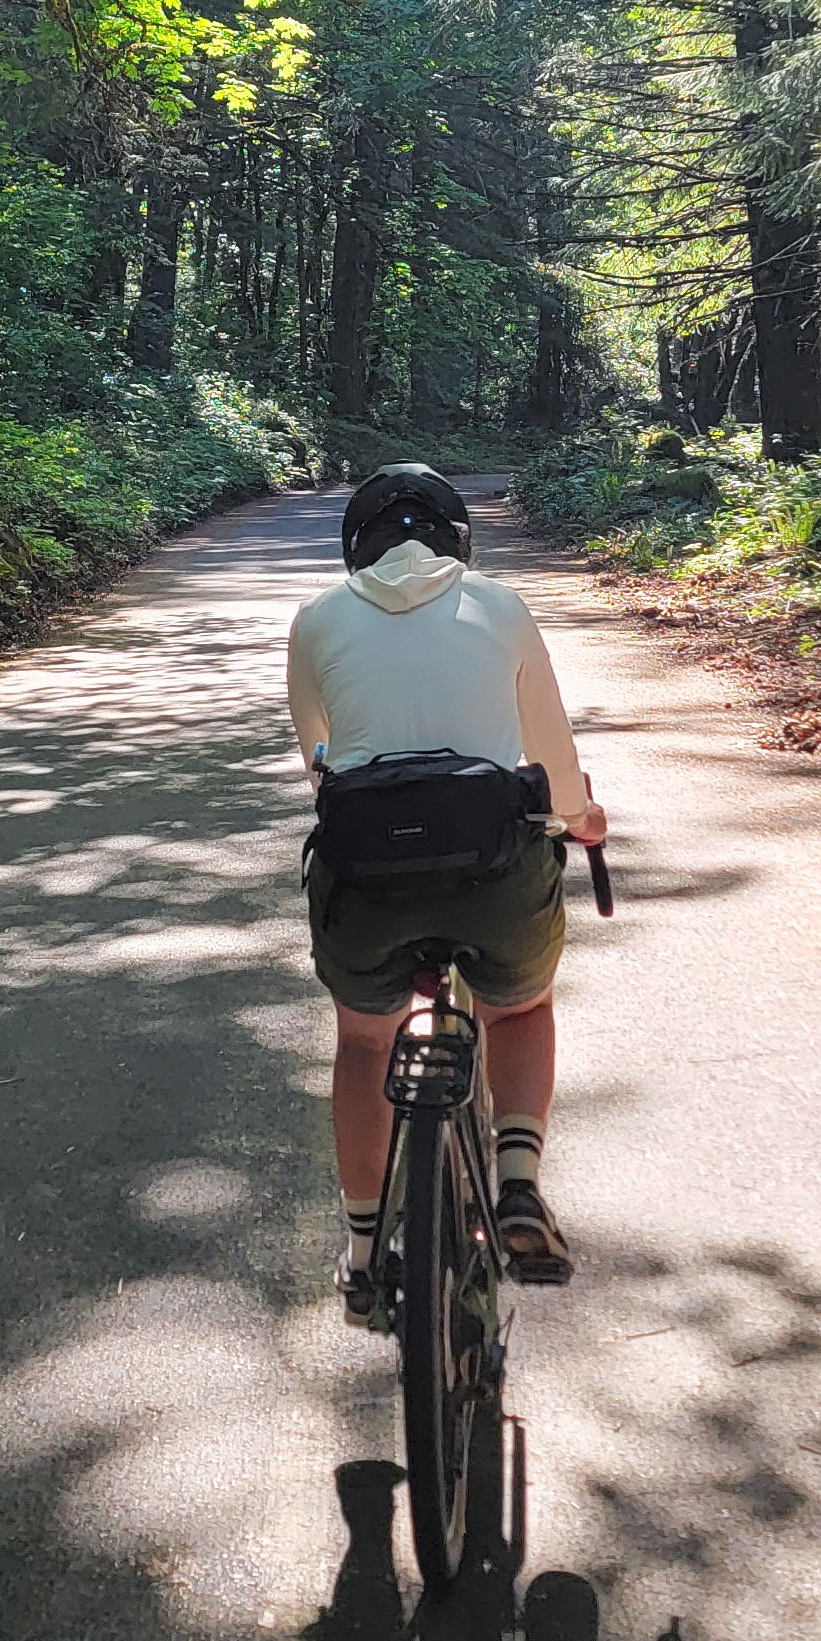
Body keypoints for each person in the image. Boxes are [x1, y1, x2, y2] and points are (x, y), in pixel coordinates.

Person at [288, 465, 607, 1314]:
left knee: (364, 1045)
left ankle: (362, 1255)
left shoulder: (317, 617)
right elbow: (550, 747)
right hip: (495, 873)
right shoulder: (499, 606)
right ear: (458, 541)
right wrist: (580, 818)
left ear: (356, 548)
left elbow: (317, 760)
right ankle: (516, 1185)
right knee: (520, 1008)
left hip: (367, 883)